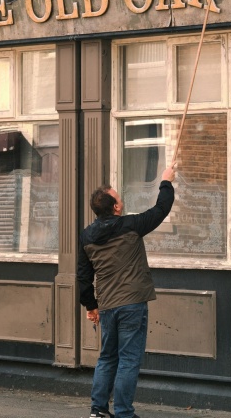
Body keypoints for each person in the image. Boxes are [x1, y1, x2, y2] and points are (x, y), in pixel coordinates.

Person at [77, 163, 176, 418]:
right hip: (132, 304)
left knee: (107, 358)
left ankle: (98, 410)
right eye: (119, 198)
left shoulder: (87, 237)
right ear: (116, 207)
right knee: (129, 360)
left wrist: (91, 306)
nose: (121, 200)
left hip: (108, 306)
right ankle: (123, 413)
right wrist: (166, 180)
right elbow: (161, 209)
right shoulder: (131, 225)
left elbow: (84, 277)